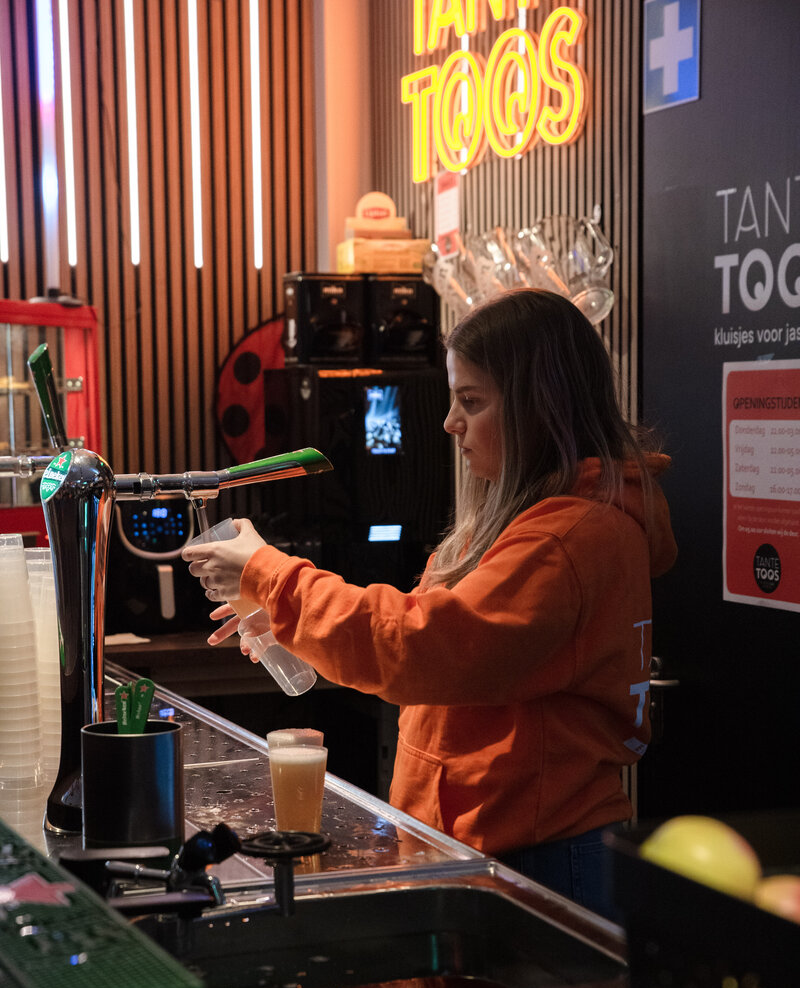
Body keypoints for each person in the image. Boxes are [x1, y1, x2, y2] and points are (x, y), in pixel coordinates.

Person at [182, 288, 677, 920]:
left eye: (471, 401)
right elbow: (409, 649)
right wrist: (288, 628)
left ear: (538, 407)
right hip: (475, 841)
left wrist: (273, 578)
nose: (449, 423)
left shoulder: (570, 538)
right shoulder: (516, 520)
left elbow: (423, 646)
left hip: (540, 854)